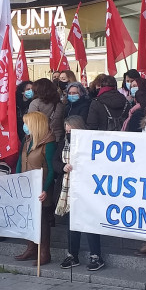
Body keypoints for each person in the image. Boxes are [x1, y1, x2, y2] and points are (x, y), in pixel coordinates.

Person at [57, 116, 104, 271]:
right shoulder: (63, 143)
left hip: (87, 187)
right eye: (66, 131)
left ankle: (96, 256)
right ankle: (72, 255)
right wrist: (63, 166)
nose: (68, 134)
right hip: (69, 188)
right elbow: (54, 162)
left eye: (71, 131)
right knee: (72, 224)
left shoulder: (90, 144)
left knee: (90, 222)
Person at [14, 112, 56, 266]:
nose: (24, 126)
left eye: (27, 123)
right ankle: (31, 248)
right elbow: (21, 160)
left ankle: (44, 252)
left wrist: (45, 189)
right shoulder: (28, 140)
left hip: (41, 187)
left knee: (42, 220)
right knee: (28, 218)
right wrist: (17, 179)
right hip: (26, 185)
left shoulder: (48, 143)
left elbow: (51, 169)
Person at [28, 78, 65, 143]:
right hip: (57, 137)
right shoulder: (59, 104)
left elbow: (31, 122)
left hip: (40, 138)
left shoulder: (35, 103)